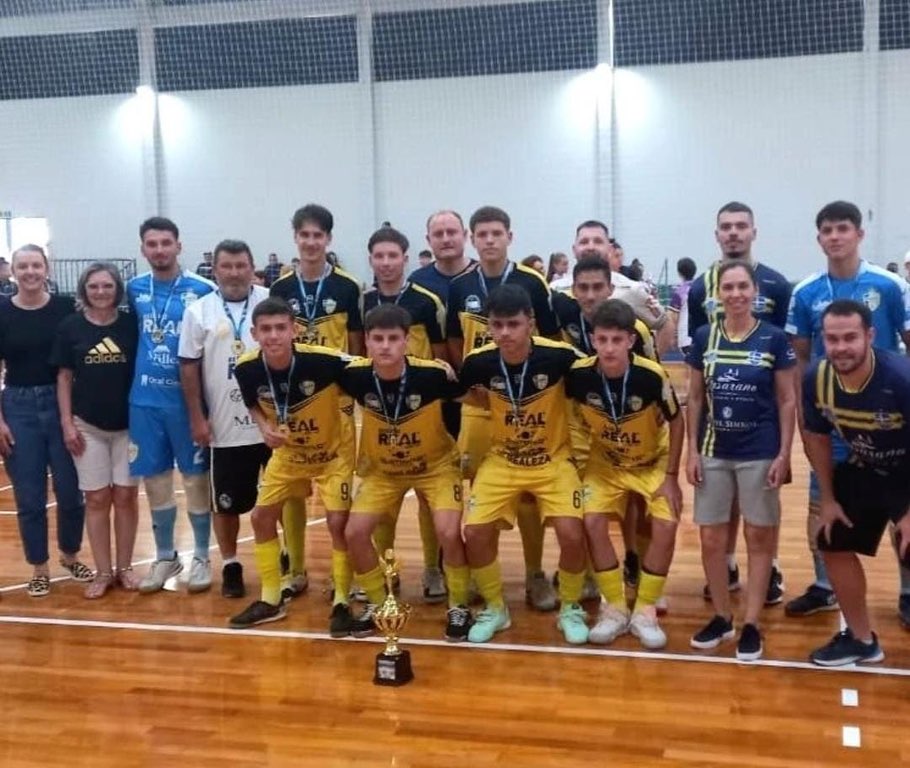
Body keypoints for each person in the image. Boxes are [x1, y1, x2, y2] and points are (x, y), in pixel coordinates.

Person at [785, 201, 910, 623]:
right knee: (823, 503)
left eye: (843, 228)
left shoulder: (889, 285)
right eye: (827, 230)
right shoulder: (805, 293)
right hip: (832, 416)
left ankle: (908, 591)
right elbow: (802, 358)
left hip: (887, 418)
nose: (835, 236)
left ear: (859, 234)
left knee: (901, 508)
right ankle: (825, 586)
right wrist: (807, 415)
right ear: (819, 238)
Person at [458, 284, 589, 643]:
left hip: (553, 459)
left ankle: (571, 607)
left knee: (573, 533)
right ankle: (496, 608)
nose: (504, 333)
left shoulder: (561, 356)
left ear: (530, 323)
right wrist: (479, 399)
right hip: (503, 460)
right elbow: (459, 390)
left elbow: (594, 385)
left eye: (513, 324)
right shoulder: (478, 361)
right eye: (497, 325)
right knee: (475, 532)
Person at [447, 206, 562, 612]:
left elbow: (549, 341)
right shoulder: (460, 286)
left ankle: (534, 575)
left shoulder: (532, 281)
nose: (490, 240)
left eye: (497, 233)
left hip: (531, 404)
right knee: (480, 491)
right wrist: (472, 386)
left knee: (530, 492)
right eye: (482, 234)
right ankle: (483, 576)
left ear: (510, 237)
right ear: (472, 238)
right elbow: (453, 346)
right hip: (481, 405)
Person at [228, 298, 361, 634]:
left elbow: (371, 367)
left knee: (337, 522)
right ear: (255, 333)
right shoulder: (245, 367)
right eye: (266, 329)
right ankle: (272, 599)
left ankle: (342, 601)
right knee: (260, 517)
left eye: (281, 328)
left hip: (333, 455)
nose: (274, 336)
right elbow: (250, 402)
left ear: (295, 330)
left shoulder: (325, 361)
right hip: (289, 454)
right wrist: (263, 426)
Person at [340, 304, 472, 640]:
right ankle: (377, 602)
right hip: (384, 472)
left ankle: (459, 605)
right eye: (377, 339)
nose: (385, 346)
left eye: (393, 338)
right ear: (366, 342)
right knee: (354, 532)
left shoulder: (432, 375)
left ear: (407, 341)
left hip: (436, 467)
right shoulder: (353, 375)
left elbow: (477, 397)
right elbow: (315, 363)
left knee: (448, 532)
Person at [686, 261, 797, 661]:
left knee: (759, 537)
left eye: (742, 287)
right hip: (714, 450)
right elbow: (695, 398)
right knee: (712, 539)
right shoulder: (703, 337)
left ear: (754, 292)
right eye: (728, 288)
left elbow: (787, 399)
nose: (735, 294)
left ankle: (751, 623)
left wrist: (784, 454)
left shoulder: (773, 339)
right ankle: (721, 615)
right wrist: (691, 451)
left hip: (760, 452)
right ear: (717, 294)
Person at [565, 299, 683, 649]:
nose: (609, 348)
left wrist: (672, 476)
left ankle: (645, 609)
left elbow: (678, 421)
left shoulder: (651, 375)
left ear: (631, 341)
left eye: (617, 340)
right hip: (607, 463)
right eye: (602, 340)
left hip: (652, 461)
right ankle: (614, 607)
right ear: (593, 339)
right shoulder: (579, 375)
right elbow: (569, 415)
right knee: (591, 520)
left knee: (666, 522)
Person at [803, 300, 910, 665]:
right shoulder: (816, 378)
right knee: (831, 538)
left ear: (870, 335)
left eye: (850, 337)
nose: (841, 347)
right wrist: (829, 499)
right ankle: (863, 640)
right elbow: (816, 437)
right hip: (864, 466)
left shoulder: (900, 378)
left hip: (906, 472)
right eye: (832, 339)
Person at [552, 256, 661, 602]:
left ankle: (640, 567)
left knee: (639, 506)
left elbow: (653, 385)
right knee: (584, 505)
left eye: (597, 287)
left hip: (632, 428)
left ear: (611, 289)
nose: (590, 294)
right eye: (582, 287)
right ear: (573, 290)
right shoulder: (564, 318)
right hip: (582, 424)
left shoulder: (636, 331)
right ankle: (584, 572)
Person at [269, 203, 363, 600]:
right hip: (292, 406)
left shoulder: (347, 287)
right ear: (295, 238)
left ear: (328, 239)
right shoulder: (281, 289)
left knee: (337, 496)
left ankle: (345, 578)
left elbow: (356, 348)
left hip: (335, 405)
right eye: (304, 235)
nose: (311, 242)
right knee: (293, 489)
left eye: (318, 235)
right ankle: (297, 571)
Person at [127, 217, 216, 594]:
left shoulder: (204, 290)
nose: (159, 250)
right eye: (152, 243)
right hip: (144, 402)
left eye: (166, 242)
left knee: (196, 481)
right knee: (156, 481)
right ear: (143, 248)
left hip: (186, 404)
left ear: (179, 246)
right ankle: (166, 556)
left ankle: (200, 555)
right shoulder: (132, 289)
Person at [178, 239, 270, 599]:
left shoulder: (269, 301)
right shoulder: (199, 311)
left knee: (278, 497)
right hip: (224, 426)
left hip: (270, 423)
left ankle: (281, 558)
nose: (234, 272)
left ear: (252, 267)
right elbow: (188, 367)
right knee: (226, 504)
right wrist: (197, 418)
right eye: (227, 266)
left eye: (241, 265)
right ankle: (231, 563)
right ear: (214, 270)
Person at [362, 226, 448, 602]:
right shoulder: (362, 301)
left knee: (430, 495)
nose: (385, 263)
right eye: (379, 256)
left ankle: (433, 568)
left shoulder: (427, 302)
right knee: (384, 496)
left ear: (405, 258)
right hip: (379, 411)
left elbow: (444, 355)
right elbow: (355, 353)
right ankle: (386, 568)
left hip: (423, 411)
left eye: (392, 255)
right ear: (371, 260)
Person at [0, 244, 87, 597]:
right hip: (18, 407)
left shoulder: (67, 308)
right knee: (30, 497)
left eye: (36, 265)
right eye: (23, 266)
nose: (30, 272)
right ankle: (39, 567)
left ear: (46, 268)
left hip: (61, 403)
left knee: (70, 492)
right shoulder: (2, 311)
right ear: (14, 271)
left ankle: (70, 554)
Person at [52, 262, 139, 598]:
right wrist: (66, 422)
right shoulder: (70, 327)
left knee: (127, 496)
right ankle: (102, 572)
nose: (101, 292)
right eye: (94, 287)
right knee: (97, 498)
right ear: (84, 290)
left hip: (130, 427)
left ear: (117, 289)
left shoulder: (131, 325)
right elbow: (63, 377)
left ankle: (125, 568)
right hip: (87, 426)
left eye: (107, 286)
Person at [573, 221, 671, 346]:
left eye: (598, 241)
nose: (591, 247)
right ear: (574, 249)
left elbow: (664, 324)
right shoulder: (556, 289)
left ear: (609, 249)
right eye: (584, 242)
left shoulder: (631, 289)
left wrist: (651, 362)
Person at [669, 256, 697, 354]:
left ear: (679, 273)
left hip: (686, 338)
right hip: (704, 336)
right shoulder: (702, 288)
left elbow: (673, 317)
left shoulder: (679, 292)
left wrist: (673, 337)